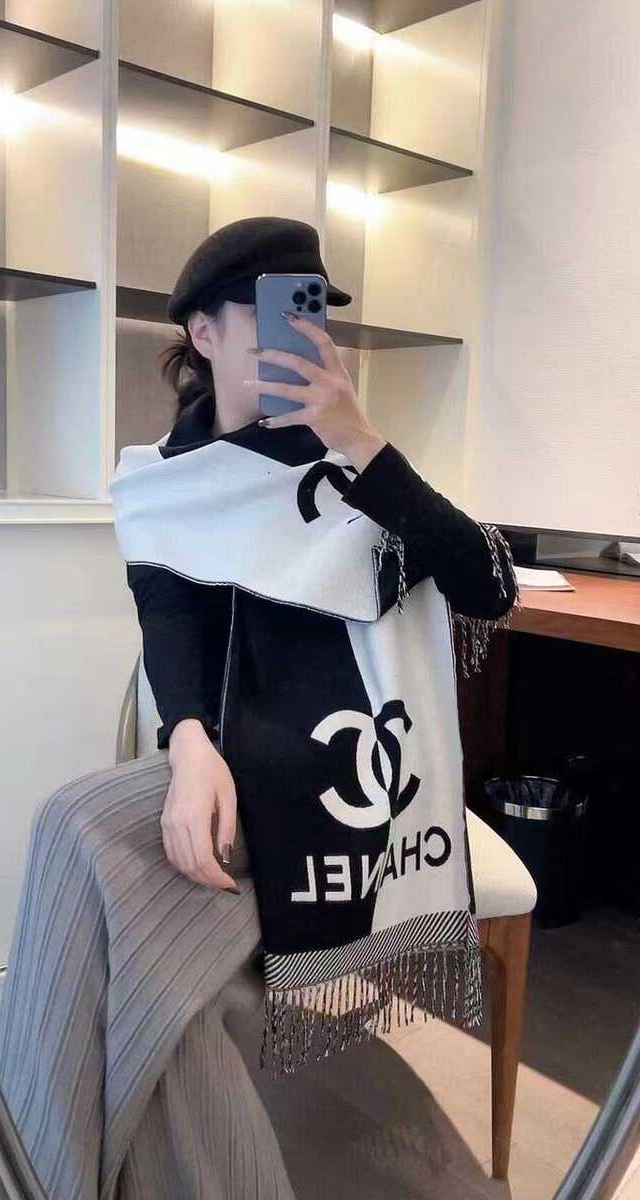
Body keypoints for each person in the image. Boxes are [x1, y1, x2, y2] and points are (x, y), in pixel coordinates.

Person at [124, 216, 518, 899]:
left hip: (351, 759)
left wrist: (361, 442)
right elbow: (168, 616)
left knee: (125, 873)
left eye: (310, 316)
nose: (301, 337)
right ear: (204, 333)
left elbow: (490, 587)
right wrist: (186, 742)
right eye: (271, 314)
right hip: (219, 748)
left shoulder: (357, 472)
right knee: (79, 834)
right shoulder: (163, 480)